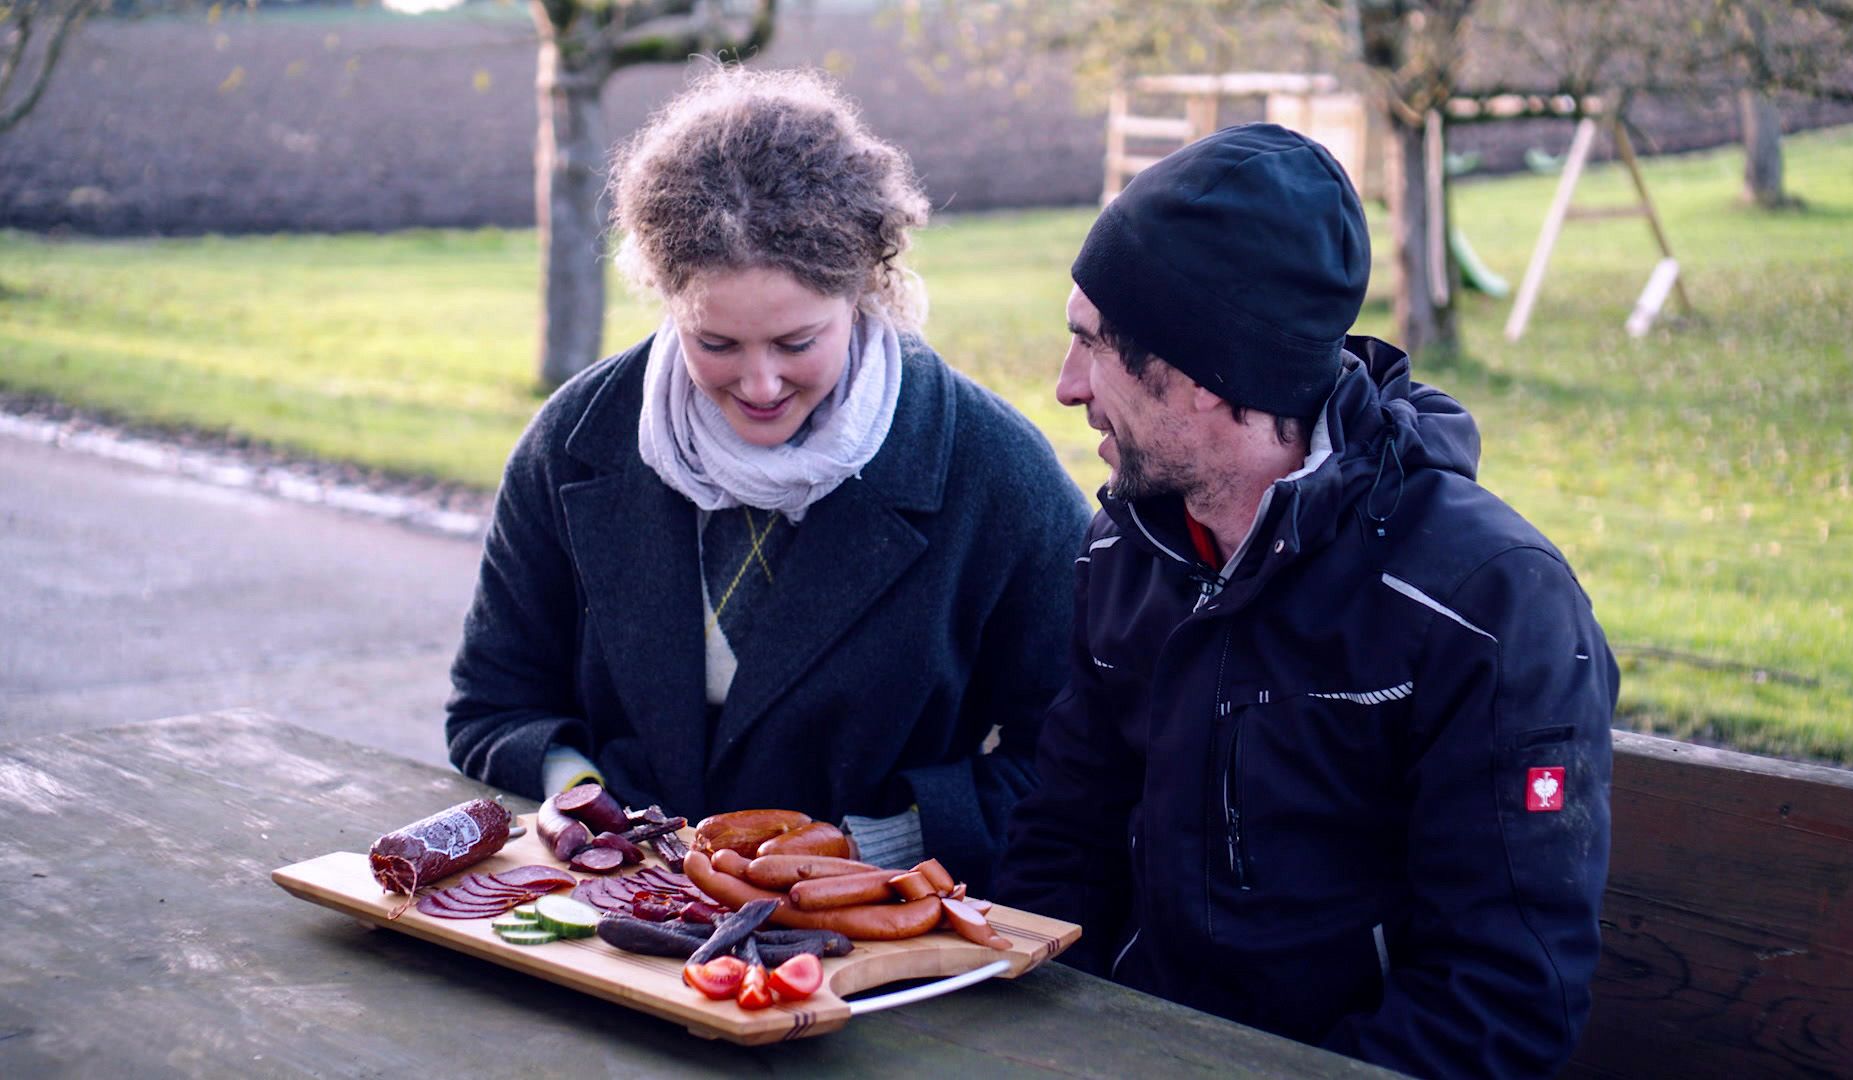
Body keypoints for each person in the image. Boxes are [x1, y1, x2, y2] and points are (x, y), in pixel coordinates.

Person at [995, 123, 1618, 1080]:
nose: (1066, 386)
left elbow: (1499, 1001)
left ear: (1206, 376)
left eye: (1090, 345)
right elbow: (1062, 848)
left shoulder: (1488, 603)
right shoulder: (1126, 546)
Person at [446, 66, 1089, 891]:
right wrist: (583, 800)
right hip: (609, 911)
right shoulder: (572, 441)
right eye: (715, 344)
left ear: (866, 288)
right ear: (665, 297)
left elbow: (1076, 756)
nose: (758, 384)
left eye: (796, 343)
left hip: (876, 932)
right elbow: (494, 704)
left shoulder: (997, 473)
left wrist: (875, 848)